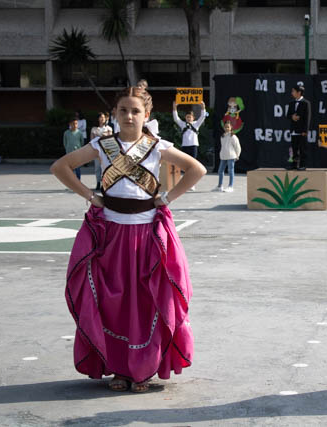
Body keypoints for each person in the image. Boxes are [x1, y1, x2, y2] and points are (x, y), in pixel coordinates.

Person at [50, 86, 206, 393]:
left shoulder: (157, 145)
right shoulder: (102, 144)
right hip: (111, 233)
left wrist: (168, 197)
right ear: (115, 115)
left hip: (147, 233)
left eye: (136, 111)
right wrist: (89, 196)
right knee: (113, 303)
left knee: (146, 301)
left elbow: (196, 169)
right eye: (123, 110)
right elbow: (61, 167)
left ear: (147, 115)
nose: (130, 116)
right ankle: (118, 369)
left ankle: (143, 369)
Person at [173, 100, 207, 191]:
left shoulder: (196, 124)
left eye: (190, 117)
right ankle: (185, 183)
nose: (188, 118)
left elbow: (202, 117)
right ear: (185, 117)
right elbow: (176, 118)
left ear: (193, 118)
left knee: (193, 165)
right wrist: (175, 107)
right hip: (185, 146)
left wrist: (203, 107)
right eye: (187, 117)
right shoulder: (182, 124)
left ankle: (192, 184)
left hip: (193, 146)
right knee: (185, 165)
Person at [286, 84, 311, 170]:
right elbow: (288, 115)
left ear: (299, 92)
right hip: (294, 130)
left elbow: (307, 118)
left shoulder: (306, 103)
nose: (292, 93)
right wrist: (292, 117)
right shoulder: (291, 103)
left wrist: (305, 130)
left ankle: (303, 165)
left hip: (302, 130)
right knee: (294, 148)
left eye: (293, 91)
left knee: (302, 148)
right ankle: (294, 164)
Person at [214, 121, 241, 192]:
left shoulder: (233, 136)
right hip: (223, 156)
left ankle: (230, 186)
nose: (226, 128)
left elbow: (237, 147)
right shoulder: (222, 136)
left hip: (231, 156)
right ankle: (220, 186)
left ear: (231, 127)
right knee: (220, 171)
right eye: (225, 127)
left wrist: (237, 155)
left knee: (230, 171)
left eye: (228, 127)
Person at [89, 111, 113, 190]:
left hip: (106, 150)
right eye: (100, 117)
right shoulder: (94, 129)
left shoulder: (109, 128)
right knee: (97, 167)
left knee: (105, 167)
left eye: (103, 117)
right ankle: (98, 182)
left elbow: (111, 140)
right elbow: (91, 140)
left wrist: (105, 136)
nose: (102, 119)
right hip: (97, 150)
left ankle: (104, 183)